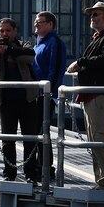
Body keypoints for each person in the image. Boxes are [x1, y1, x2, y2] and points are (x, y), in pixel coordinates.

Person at [66, 2, 104, 190]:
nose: (92, 17)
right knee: (93, 140)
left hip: (100, 94)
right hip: (92, 94)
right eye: (91, 14)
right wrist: (83, 64)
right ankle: (102, 180)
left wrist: (81, 63)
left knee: (99, 139)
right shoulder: (100, 38)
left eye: (95, 14)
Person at [0, 18, 41, 183]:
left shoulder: (24, 45)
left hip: (27, 99)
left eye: (8, 31)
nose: (5, 34)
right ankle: (10, 172)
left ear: (15, 31)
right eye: (1, 31)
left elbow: (28, 57)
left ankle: (31, 173)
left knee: (30, 138)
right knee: (8, 138)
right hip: (6, 100)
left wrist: (8, 50)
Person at [32, 11, 67, 177]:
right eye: (35, 22)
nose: (36, 24)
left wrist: (48, 92)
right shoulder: (38, 43)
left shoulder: (55, 42)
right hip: (35, 94)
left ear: (50, 24)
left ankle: (47, 168)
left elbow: (56, 69)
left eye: (40, 22)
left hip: (45, 95)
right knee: (35, 131)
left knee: (42, 131)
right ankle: (39, 165)